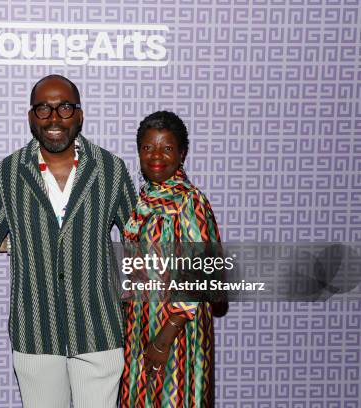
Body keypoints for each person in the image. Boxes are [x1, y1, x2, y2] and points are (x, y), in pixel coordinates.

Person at [0, 75, 136, 407]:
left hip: (99, 331)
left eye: (64, 108)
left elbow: (140, 242)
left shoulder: (111, 170)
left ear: (79, 115)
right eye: (43, 109)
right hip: (35, 334)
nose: (53, 118)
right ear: (31, 117)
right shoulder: (7, 174)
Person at [119, 111, 221, 408]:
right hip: (141, 323)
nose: (156, 156)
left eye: (167, 148)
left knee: (174, 398)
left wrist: (165, 337)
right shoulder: (144, 199)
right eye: (148, 147)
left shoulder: (189, 200)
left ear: (182, 153)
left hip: (177, 328)